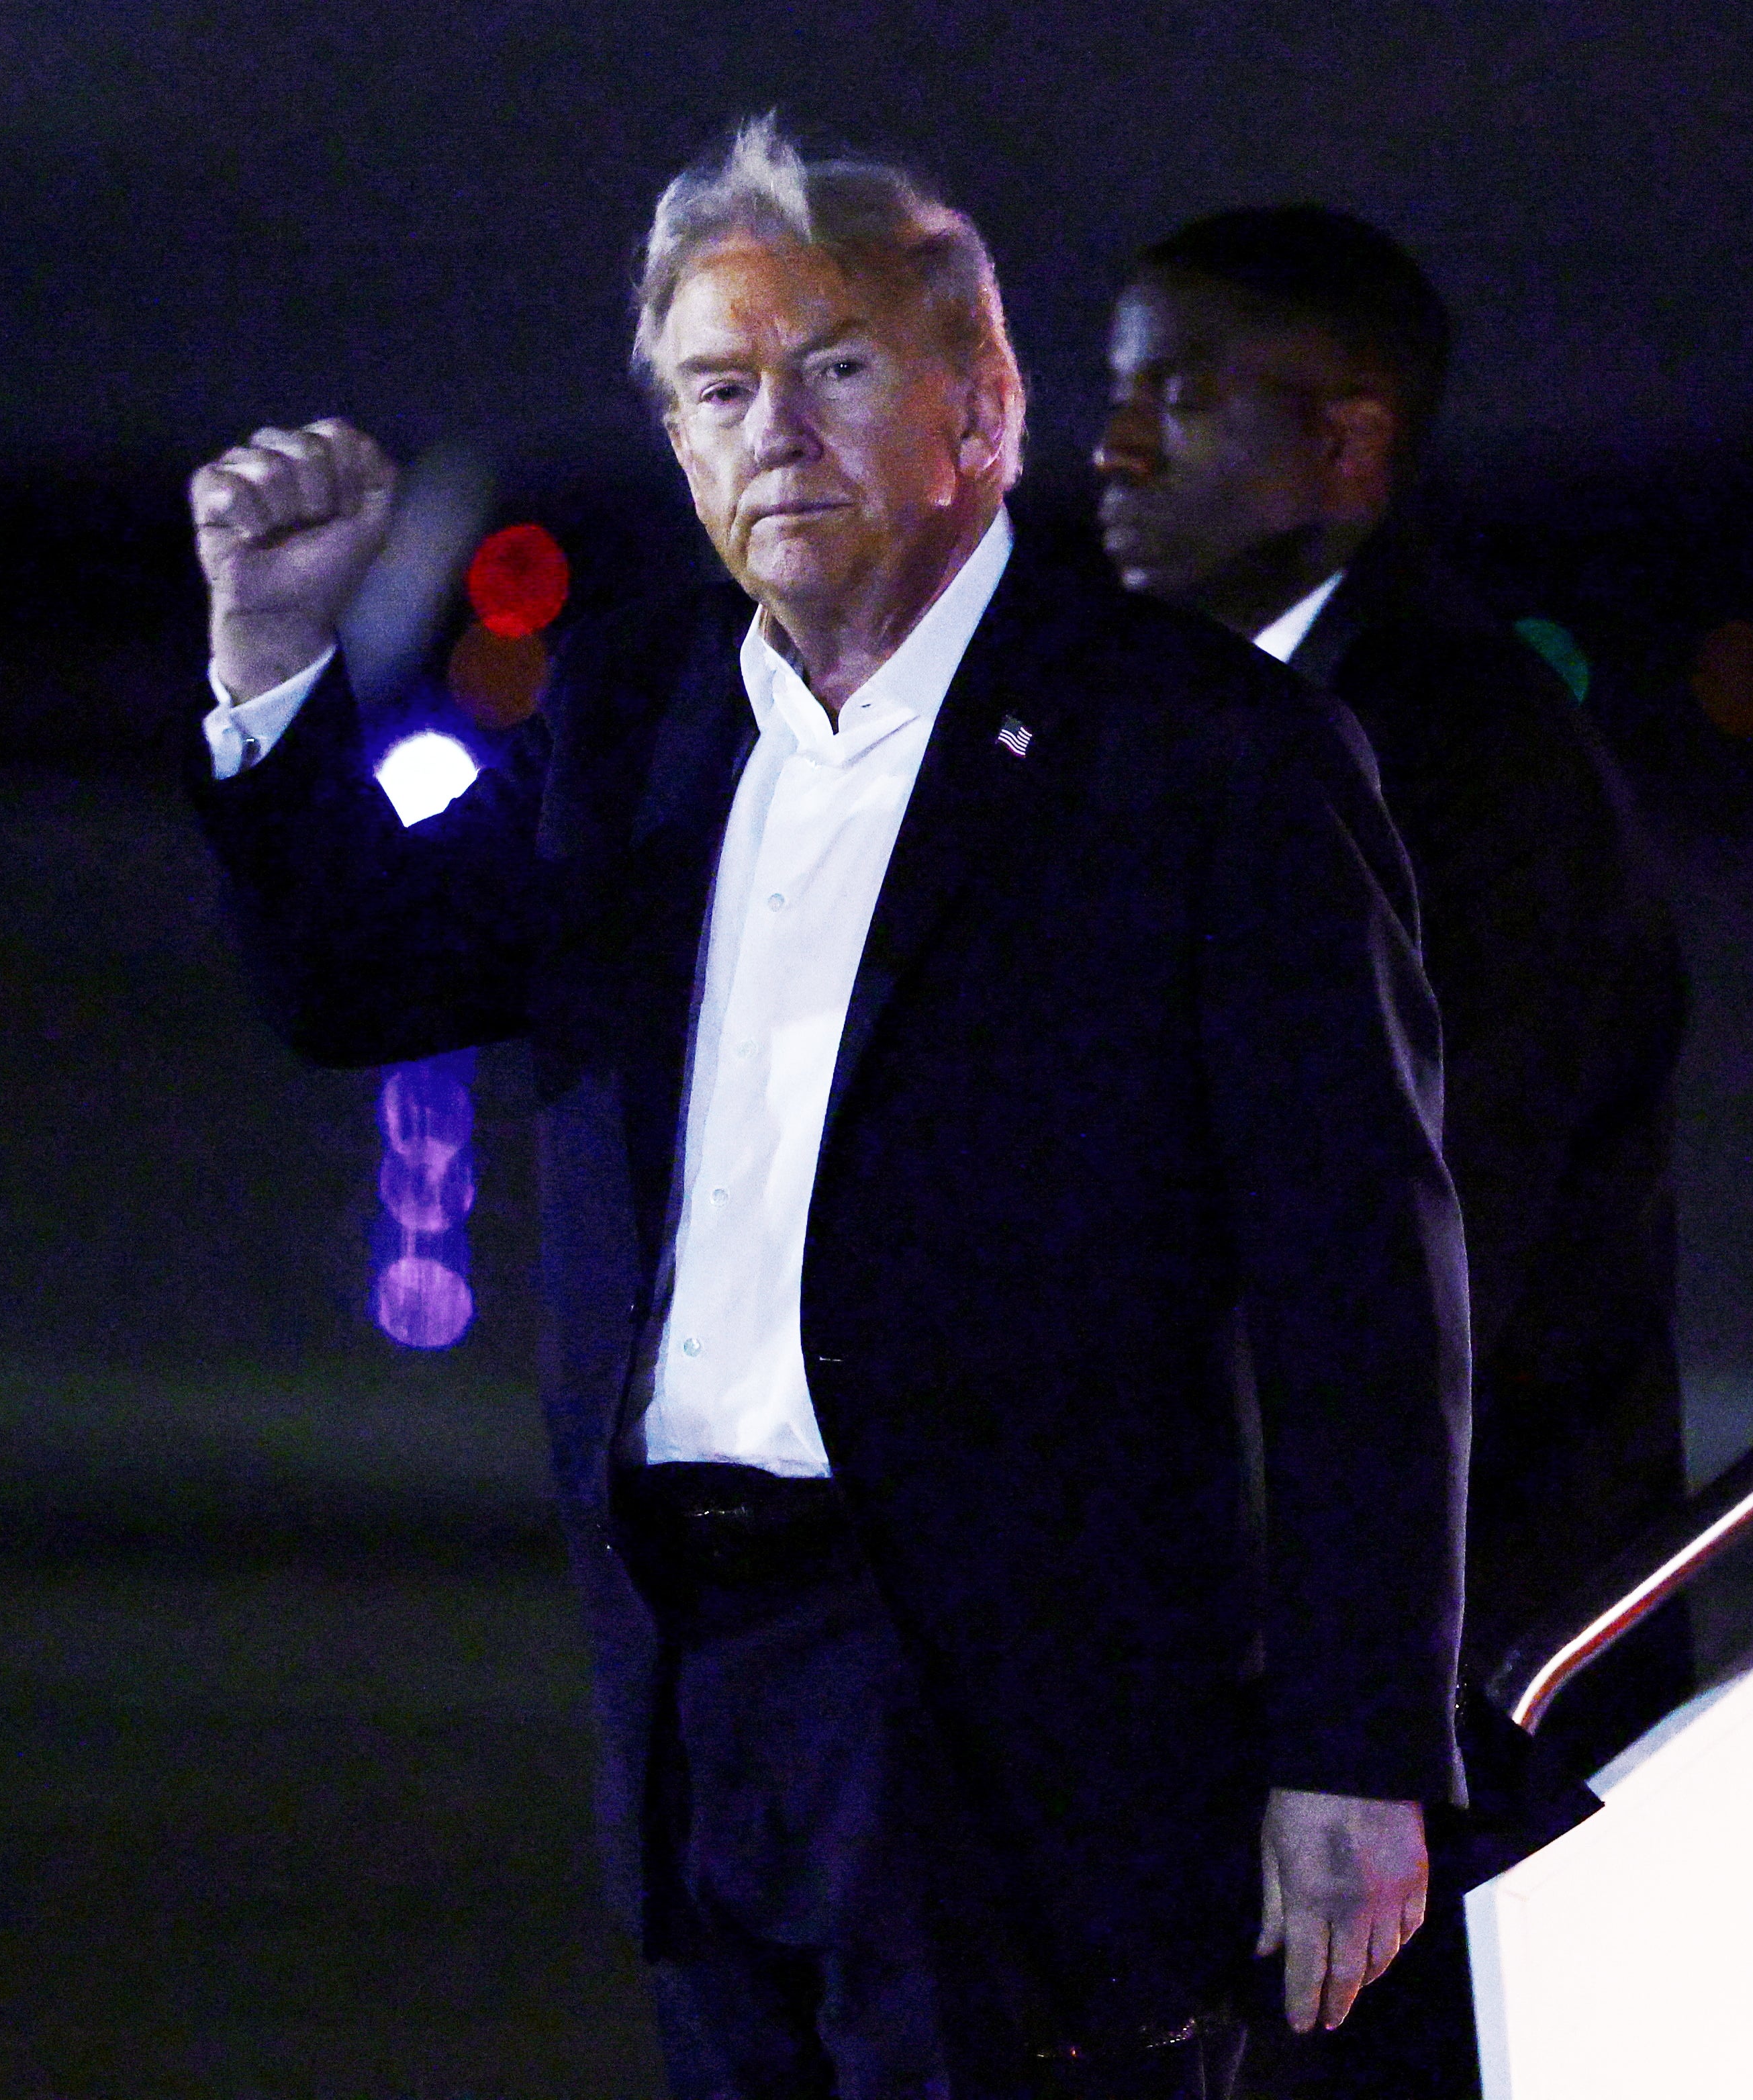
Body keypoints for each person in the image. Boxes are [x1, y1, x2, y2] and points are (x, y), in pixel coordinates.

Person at [185, 124, 1489, 2099]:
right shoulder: (638, 715)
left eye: (838, 369)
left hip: (1017, 1712)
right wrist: (275, 655)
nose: (772, 430)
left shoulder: (1197, 747)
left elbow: (1357, 1288)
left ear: (982, 411)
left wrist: (1356, 1748)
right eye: (718, 391)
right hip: (697, 1674)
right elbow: (359, 982)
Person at [1094, 205, 1693, 2098]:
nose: (1109, 447)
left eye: (1177, 400)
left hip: (1441, 1674)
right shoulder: (1281, 715)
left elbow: (1422, 1250)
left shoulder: (1437, 750)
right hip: (1369, 1649)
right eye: (1109, 394)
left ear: (1346, 448)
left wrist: (1340, 1704)